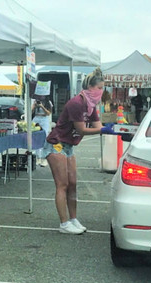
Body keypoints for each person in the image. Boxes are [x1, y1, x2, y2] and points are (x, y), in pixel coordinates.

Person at [43, 68, 114, 234]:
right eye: (99, 88)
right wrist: (103, 131)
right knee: (62, 184)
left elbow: (98, 126)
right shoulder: (77, 103)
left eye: (103, 88)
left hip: (68, 146)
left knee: (73, 184)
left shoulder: (91, 107)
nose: (101, 92)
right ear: (89, 87)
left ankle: (73, 219)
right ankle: (64, 224)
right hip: (57, 144)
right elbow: (81, 130)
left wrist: (113, 129)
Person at [31, 95, 53, 167]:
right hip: (36, 118)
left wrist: (41, 106)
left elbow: (48, 113)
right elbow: (31, 111)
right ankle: (37, 157)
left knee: (44, 137)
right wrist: (34, 106)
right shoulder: (35, 102)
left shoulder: (48, 103)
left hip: (44, 119)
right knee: (36, 138)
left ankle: (44, 157)